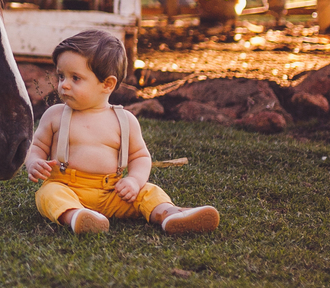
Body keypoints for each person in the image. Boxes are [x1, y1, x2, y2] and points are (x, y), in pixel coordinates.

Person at [25, 29, 220, 235]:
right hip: (67, 187)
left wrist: (134, 181)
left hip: (113, 192)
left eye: (75, 78)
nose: (64, 85)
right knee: (49, 193)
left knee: (148, 191)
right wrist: (34, 162)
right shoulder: (55, 115)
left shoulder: (124, 120)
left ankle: (170, 214)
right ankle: (77, 216)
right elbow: (36, 146)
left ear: (107, 84)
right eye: (61, 76)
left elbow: (140, 156)